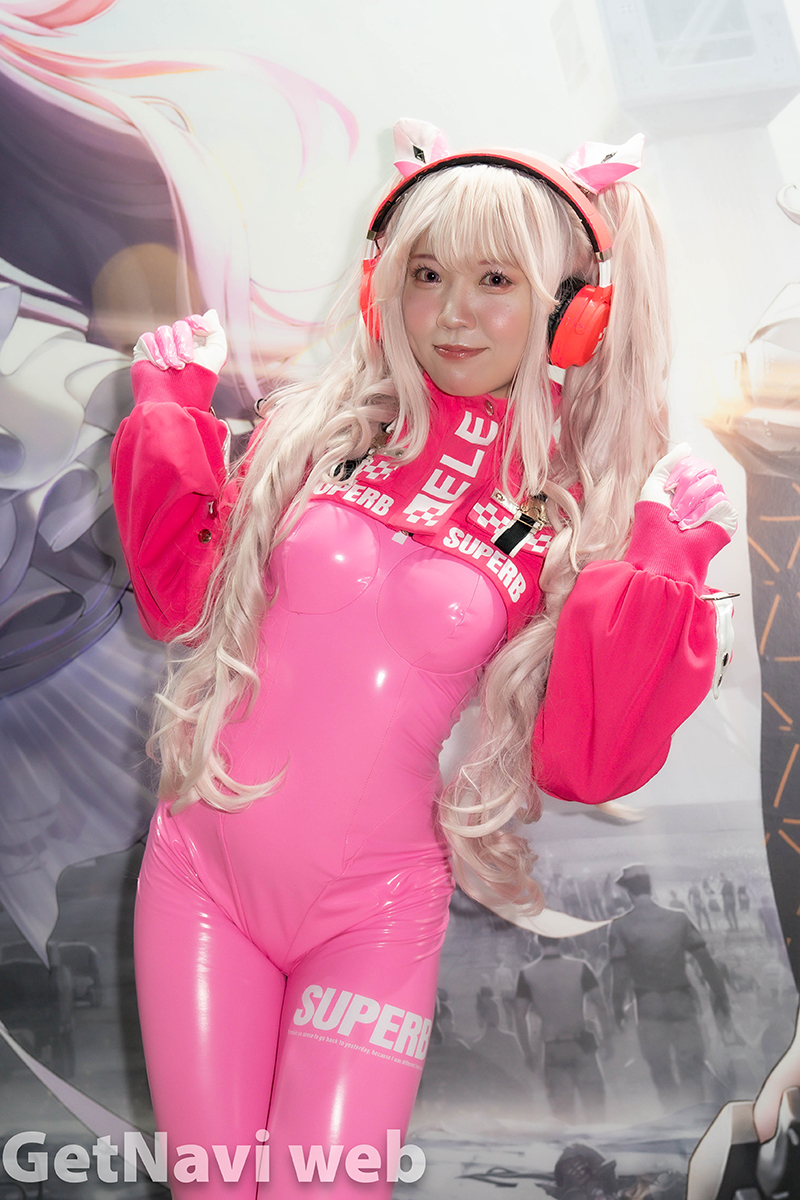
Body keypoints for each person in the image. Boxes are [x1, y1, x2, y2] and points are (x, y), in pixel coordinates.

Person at [111, 119, 736, 1197]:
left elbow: (584, 762)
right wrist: (171, 407)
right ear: (383, 286)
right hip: (200, 874)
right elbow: (180, 599)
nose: (452, 312)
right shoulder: (315, 433)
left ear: (571, 311)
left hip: (374, 913)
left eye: (495, 280)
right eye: (427, 273)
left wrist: (661, 561)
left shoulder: (571, 511)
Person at [610, 864, 731, 1111]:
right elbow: (706, 963)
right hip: (681, 999)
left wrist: (617, 1008)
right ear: (650, 887)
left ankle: (673, 1114)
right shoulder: (678, 919)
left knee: (660, 1067)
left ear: (629, 892)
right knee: (691, 1066)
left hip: (648, 1004)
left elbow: (620, 975)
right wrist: (721, 996)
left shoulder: (621, 925)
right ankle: (695, 1116)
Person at [515, 935, 612, 1122]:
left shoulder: (527, 973)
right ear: (560, 940)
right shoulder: (580, 967)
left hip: (554, 1048)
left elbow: (519, 1015)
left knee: (564, 1119)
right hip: (581, 1044)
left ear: (538, 941)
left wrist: (528, 1052)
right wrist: (607, 1038)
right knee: (596, 1115)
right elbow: (600, 1003)